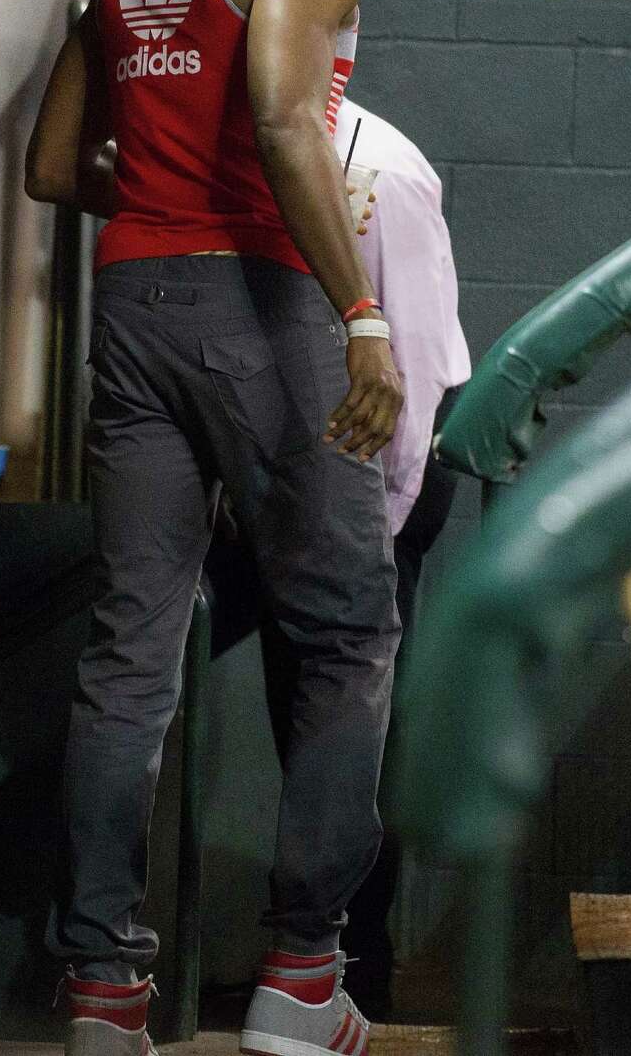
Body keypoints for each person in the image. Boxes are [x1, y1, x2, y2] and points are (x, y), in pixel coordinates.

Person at [24, 0, 489, 1056]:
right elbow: (291, 126)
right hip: (267, 305)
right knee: (348, 632)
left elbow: (56, 168)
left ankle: (103, 991)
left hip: (136, 308)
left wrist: (161, 201)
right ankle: (301, 979)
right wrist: (361, 318)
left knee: (129, 657)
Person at [206, 97, 471, 1017]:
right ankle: (315, 967)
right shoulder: (229, 146)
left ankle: (358, 977)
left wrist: (376, 533)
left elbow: (426, 365)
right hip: (293, 469)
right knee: (311, 723)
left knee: (344, 727)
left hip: (381, 472)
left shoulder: (383, 170)